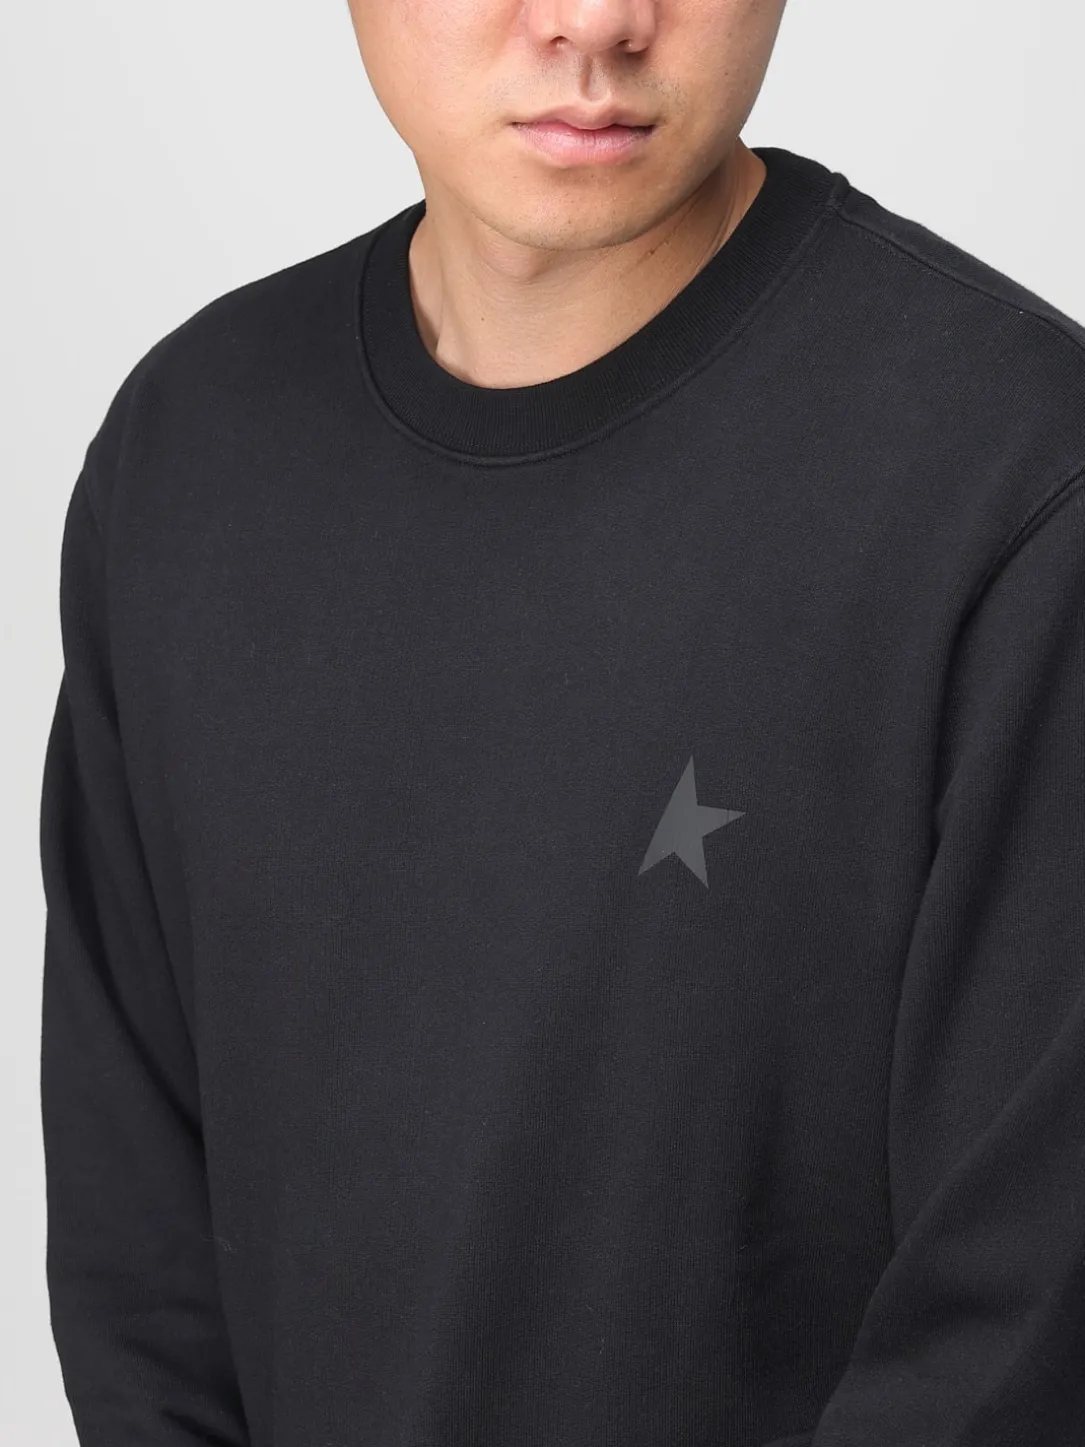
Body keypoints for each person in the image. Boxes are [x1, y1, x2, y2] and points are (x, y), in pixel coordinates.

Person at [38, 0, 1085, 1444]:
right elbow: (138, 1260)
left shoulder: (1019, 482)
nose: (596, 20)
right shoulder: (186, 453)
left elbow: (1019, 1336)